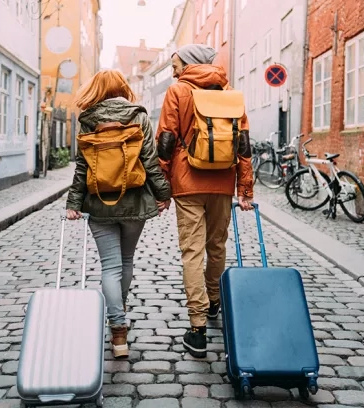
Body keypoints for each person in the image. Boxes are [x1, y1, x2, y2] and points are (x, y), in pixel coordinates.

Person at [156, 44, 254, 358]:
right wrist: (245, 190)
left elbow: (166, 140)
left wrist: (162, 189)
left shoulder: (178, 92)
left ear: (190, 63)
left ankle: (197, 327)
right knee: (217, 246)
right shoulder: (231, 94)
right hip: (223, 181)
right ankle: (213, 302)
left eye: (177, 63)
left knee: (192, 251)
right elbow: (244, 145)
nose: (173, 70)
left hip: (187, 183)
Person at [66, 70, 171, 359]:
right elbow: (150, 161)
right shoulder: (139, 116)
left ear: (97, 89)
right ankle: (120, 315)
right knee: (125, 261)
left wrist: (73, 202)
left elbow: (82, 167)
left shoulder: (88, 118)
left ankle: (117, 330)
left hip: (99, 204)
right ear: (123, 88)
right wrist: (164, 193)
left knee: (109, 267)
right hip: (134, 202)